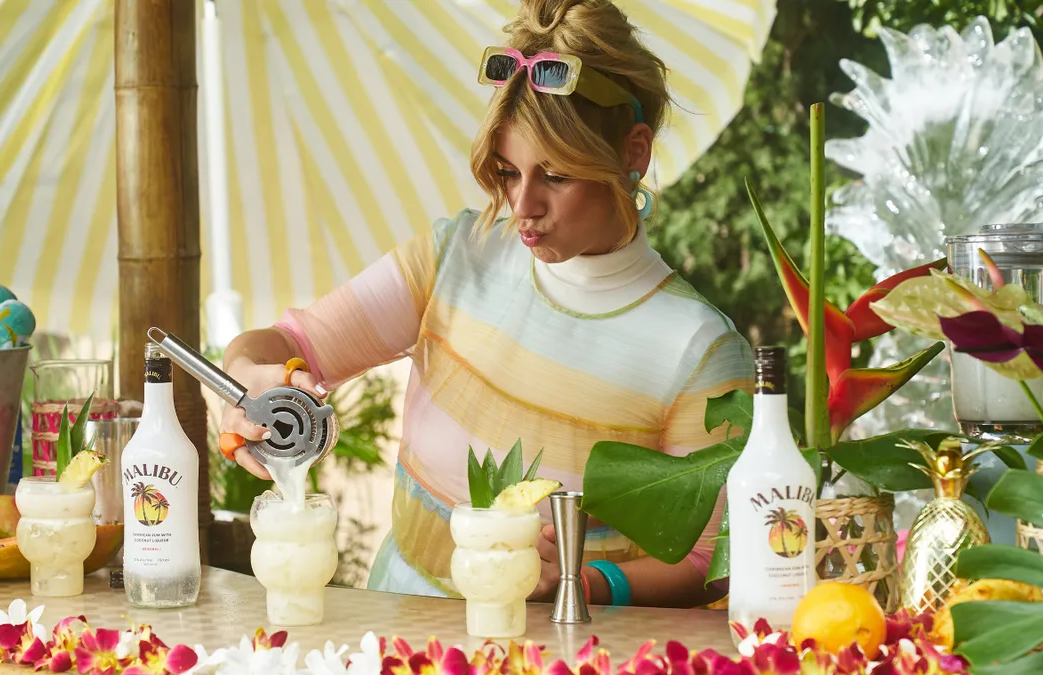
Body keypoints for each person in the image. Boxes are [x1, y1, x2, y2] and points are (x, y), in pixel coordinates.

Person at [221, 0, 752, 608]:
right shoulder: (457, 255)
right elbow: (292, 345)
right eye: (506, 171)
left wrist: (579, 581)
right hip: (394, 642)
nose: (522, 206)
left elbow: (717, 563)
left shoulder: (697, 350)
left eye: (554, 176)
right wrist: (243, 381)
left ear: (634, 152)